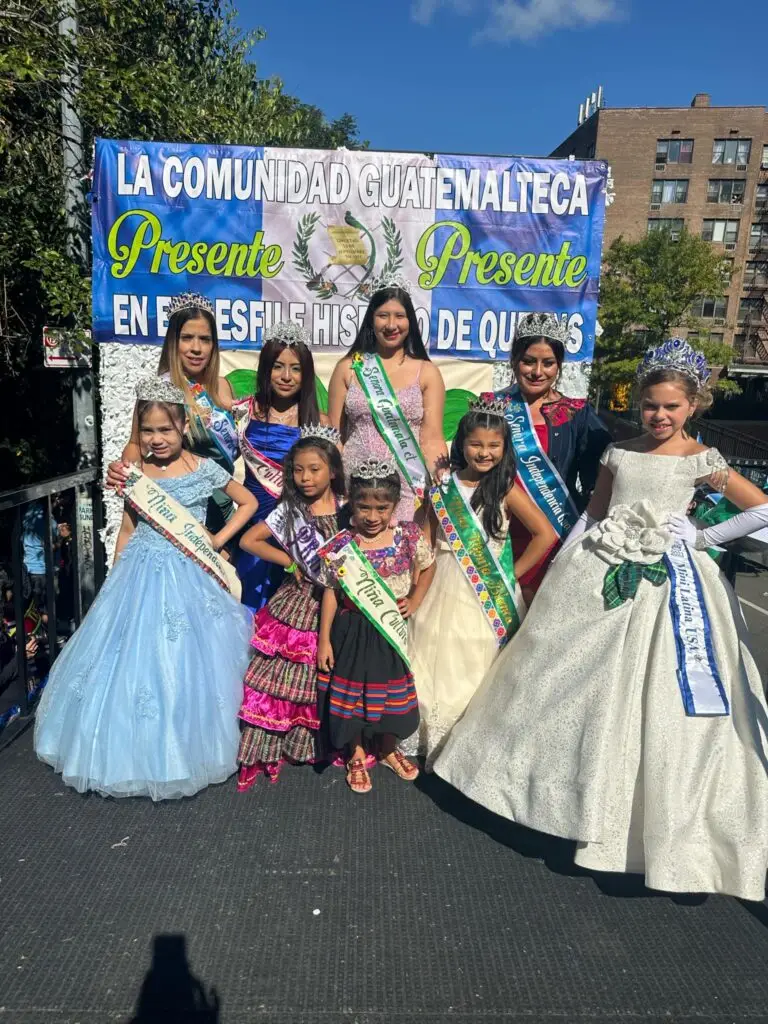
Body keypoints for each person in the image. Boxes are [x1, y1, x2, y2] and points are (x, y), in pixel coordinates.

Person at [435, 339, 768, 901]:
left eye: (671, 407)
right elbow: (592, 517)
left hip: (671, 586)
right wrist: (563, 571)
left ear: (693, 406)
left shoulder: (703, 461)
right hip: (602, 572)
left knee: (661, 701)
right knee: (565, 682)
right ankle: (552, 800)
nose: (659, 416)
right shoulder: (619, 452)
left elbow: (761, 507)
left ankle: (647, 831)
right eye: (650, 406)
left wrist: (704, 537)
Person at [34, 377, 257, 800]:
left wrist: (217, 539)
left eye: (165, 430)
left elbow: (246, 503)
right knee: (130, 662)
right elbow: (128, 527)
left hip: (188, 573)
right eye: (147, 431)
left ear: (183, 427)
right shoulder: (135, 474)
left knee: (186, 663)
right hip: (139, 571)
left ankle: (183, 748)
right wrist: (115, 573)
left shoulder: (203, 467)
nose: (156, 439)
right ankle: (127, 751)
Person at [408, 394, 558, 767]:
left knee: (475, 661)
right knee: (432, 657)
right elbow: (425, 538)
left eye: (494, 446)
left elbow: (545, 535)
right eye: (476, 444)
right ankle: (429, 735)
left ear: (504, 448)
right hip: (440, 581)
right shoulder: (442, 487)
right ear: (462, 443)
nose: (484, 452)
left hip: (485, 592)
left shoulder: (505, 488)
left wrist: (514, 573)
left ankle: (470, 743)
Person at [317, 458, 436, 794]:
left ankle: (386, 747)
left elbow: (428, 568)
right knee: (352, 692)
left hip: (390, 632)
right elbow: (330, 591)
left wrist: (414, 599)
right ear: (351, 504)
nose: (372, 516)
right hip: (352, 630)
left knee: (390, 690)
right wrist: (324, 640)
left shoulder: (409, 536)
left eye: (381, 508)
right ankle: (355, 751)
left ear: (395, 506)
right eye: (363, 507)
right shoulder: (343, 544)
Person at [236, 428, 345, 790]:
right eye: (298, 470)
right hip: (296, 604)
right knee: (284, 675)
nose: (305, 478)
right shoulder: (290, 510)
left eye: (314, 469)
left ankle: (314, 742)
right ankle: (275, 742)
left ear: (332, 470)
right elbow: (250, 540)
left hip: (337, 604)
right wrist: (291, 560)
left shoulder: (348, 507)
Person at [494, 312, 611, 604]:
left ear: (559, 366)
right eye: (528, 361)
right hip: (500, 532)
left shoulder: (577, 413)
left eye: (548, 363)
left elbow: (600, 476)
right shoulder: (491, 407)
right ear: (514, 361)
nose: (537, 371)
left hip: (555, 531)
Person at [106, 293, 238, 532]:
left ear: (213, 345)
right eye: (187, 338)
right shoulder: (160, 390)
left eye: (205, 339)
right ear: (173, 341)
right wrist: (126, 469)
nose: (196, 348)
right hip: (180, 508)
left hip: (223, 506)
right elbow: (136, 444)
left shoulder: (223, 386)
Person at [327, 278, 448, 523]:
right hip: (355, 488)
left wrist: (440, 476)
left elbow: (432, 437)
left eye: (399, 316)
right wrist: (336, 485)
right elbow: (333, 435)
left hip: (406, 487)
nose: (391, 325)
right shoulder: (349, 368)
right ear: (372, 319)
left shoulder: (426, 372)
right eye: (383, 315)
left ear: (410, 321)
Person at [233, 320, 328, 611]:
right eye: (277, 366)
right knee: (250, 606)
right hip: (253, 527)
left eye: (296, 368)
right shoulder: (244, 412)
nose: (286, 376)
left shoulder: (319, 423)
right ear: (265, 369)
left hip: (298, 531)